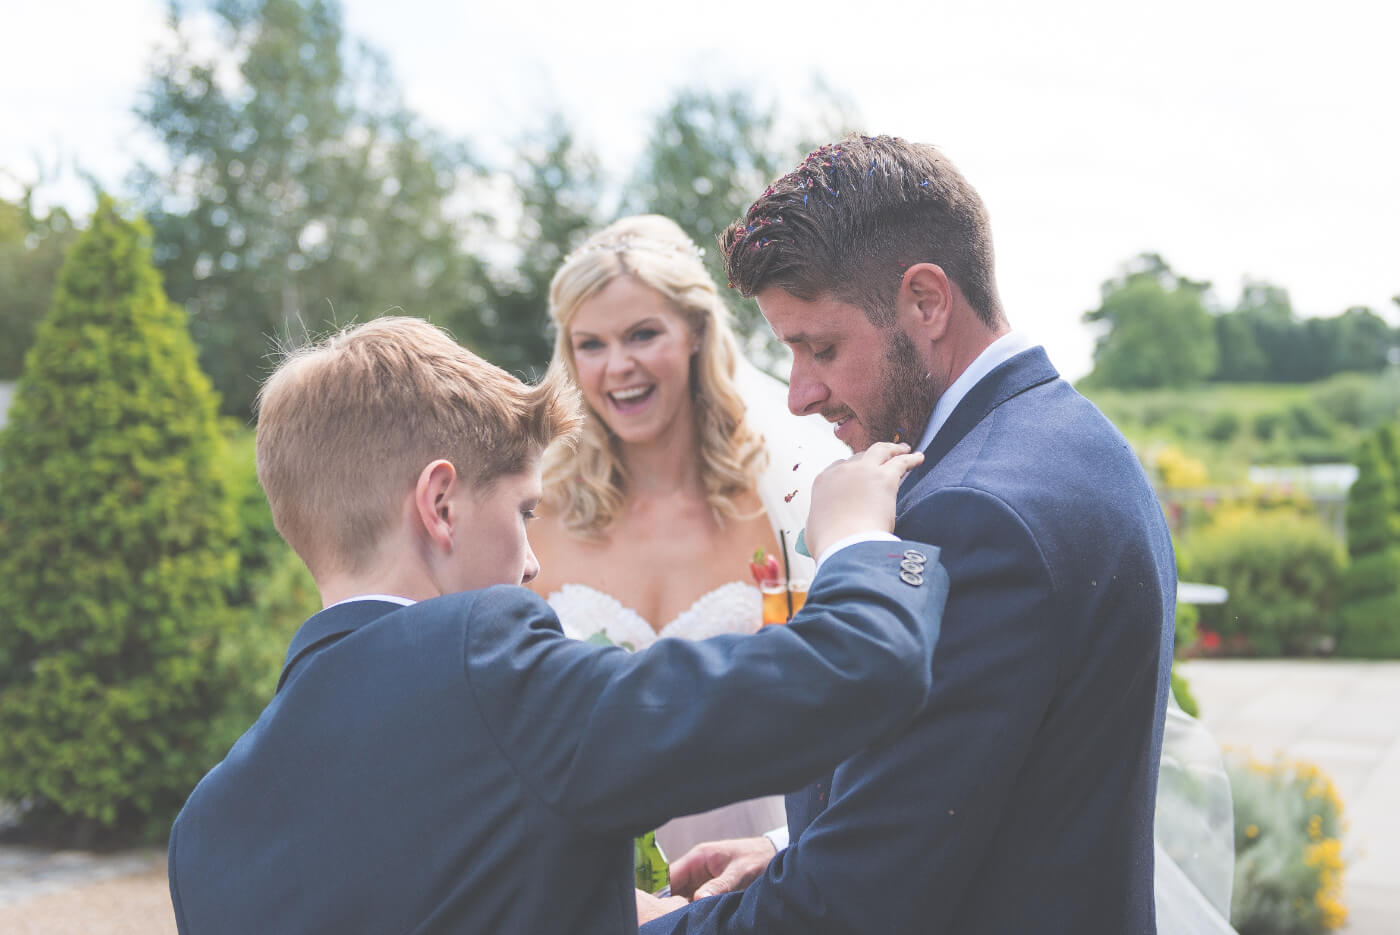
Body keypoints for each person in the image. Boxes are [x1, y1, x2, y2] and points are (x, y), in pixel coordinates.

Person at [166, 315, 950, 934]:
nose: (536, 563)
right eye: (522, 510)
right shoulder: (483, 663)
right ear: (439, 504)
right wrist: (858, 538)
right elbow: (855, 668)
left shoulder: (207, 824)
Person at [641, 134, 1234, 934]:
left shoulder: (971, 517)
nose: (800, 395)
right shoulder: (1073, 437)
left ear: (926, 300)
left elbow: (847, 911)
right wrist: (790, 847)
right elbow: (983, 791)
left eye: (821, 347)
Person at [528, 214, 849, 859]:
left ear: (698, 334)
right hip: (586, 877)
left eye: (643, 335)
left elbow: (846, 697)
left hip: (771, 867)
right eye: (590, 344)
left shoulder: (784, 494)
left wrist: (785, 851)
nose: (618, 366)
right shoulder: (533, 511)